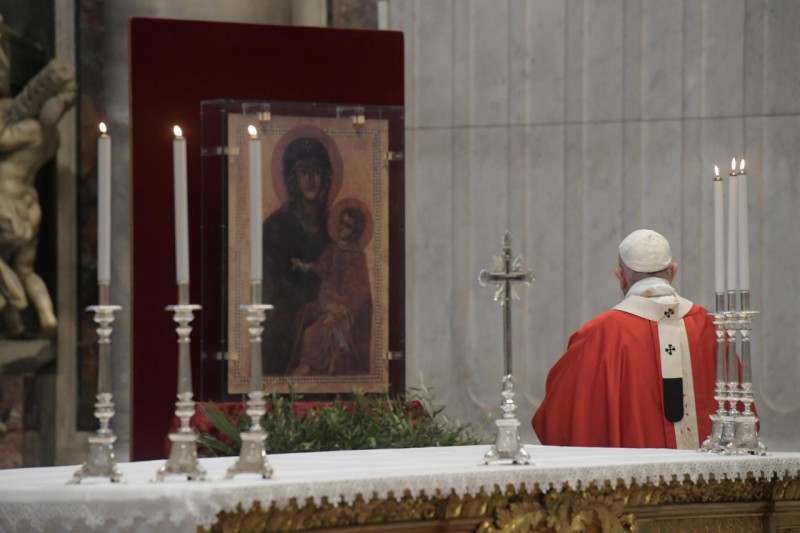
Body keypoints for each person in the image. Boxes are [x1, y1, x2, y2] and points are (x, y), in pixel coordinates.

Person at [532, 229, 718, 449]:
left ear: (620, 277)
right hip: (707, 470)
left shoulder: (597, 335)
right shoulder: (712, 328)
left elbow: (557, 420)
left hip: (633, 471)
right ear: (674, 272)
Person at [261, 136, 333, 374]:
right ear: (293, 179)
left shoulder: (339, 226)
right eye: (304, 171)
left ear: (326, 178)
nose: (311, 180)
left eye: (317, 171)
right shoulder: (276, 226)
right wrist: (306, 308)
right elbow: (270, 290)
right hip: (287, 330)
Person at [287, 203, 373, 375]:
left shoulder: (357, 256)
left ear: (355, 233)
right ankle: (311, 364)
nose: (342, 228)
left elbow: (360, 291)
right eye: (341, 222)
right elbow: (321, 265)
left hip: (345, 307)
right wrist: (304, 266)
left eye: (348, 226)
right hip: (327, 300)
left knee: (324, 331)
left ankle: (326, 364)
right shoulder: (333, 248)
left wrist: (338, 310)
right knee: (311, 327)